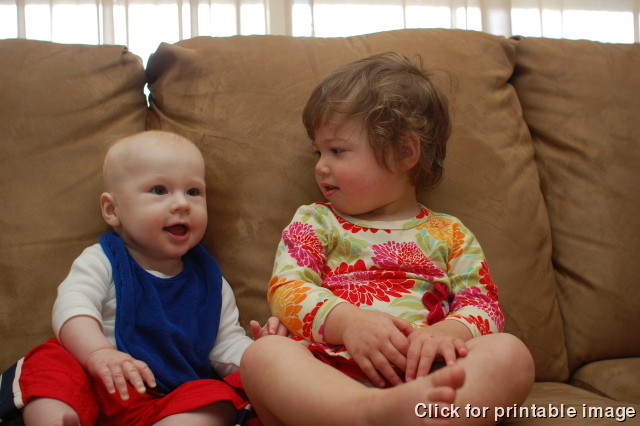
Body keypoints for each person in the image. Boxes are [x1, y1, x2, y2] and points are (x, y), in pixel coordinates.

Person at [239, 52, 535, 425]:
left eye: (337, 150)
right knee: (262, 355)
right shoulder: (316, 220)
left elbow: (484, 305)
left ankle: (423, 416)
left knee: (511, 354)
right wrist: (349, 322)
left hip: (427, 372)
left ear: (404, 153)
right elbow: (287, 288)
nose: (320, 166)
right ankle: (365, 412)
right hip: (331, 372)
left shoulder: (450, 233)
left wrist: (449, 331)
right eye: (318, 152)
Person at [0, 130, 285, 426]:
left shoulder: (211, 282)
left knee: (217, 397)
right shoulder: (102, 260)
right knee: (48, 361)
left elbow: (225, 346)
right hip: (94, 383)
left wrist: (261, 356)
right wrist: (97, 353)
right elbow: (73, 307)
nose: (182, 204)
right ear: (112, 210)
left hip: (162, 403)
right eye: (160, 190)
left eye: (193, 191)